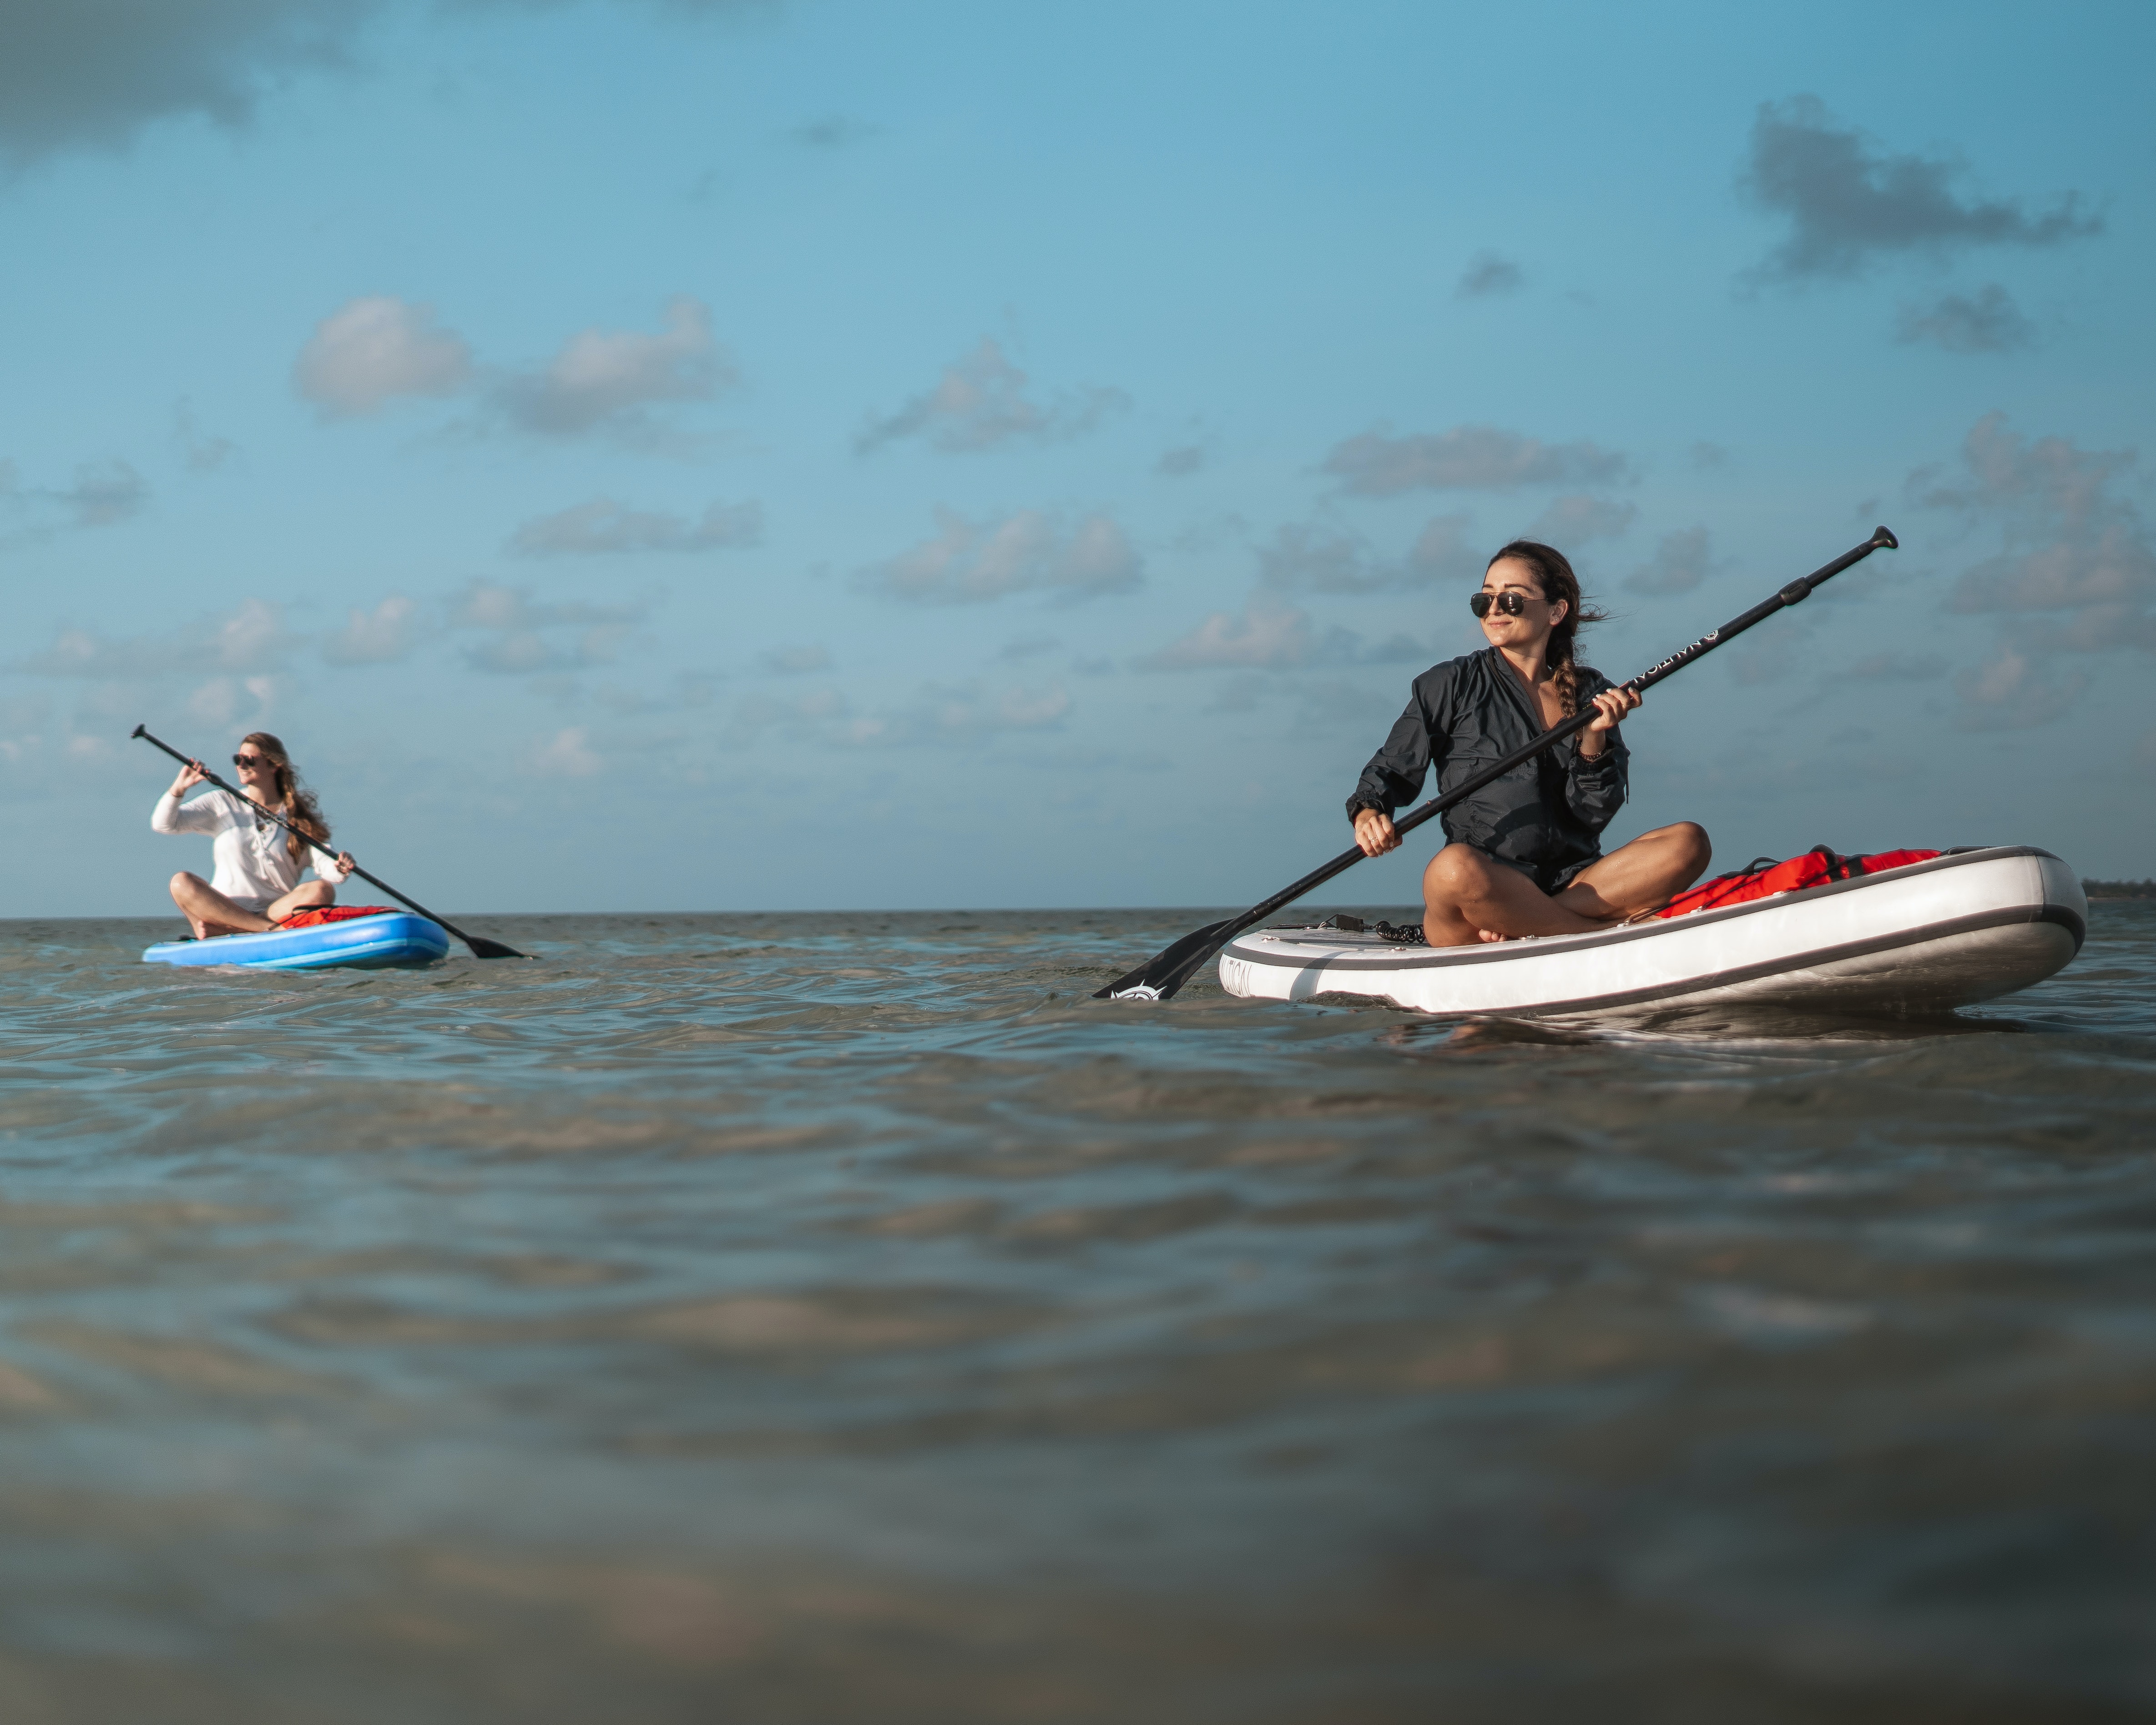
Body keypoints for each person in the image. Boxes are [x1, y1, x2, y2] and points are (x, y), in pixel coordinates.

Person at [1347, 539, 1711, 946]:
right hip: (1481, 890)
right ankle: (1597, 934)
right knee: (1451, 869)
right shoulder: (1449, 683)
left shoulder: (1592, 691)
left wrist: (1593, 738)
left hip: (1574, 885)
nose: (1495, 609)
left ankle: (1528, 924)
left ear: (1556, 611)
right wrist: (1368, 813)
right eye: (1483, 600)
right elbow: (1391, 769)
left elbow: (1592, 816)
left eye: (1511, 599)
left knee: (1688, 841)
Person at [152, 732, 356, 940]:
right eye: (237, 759)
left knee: (322, 889)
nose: (241, 765)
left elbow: (326, 864)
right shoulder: (222, 802)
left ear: (274, 765)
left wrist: (339, 867)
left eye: (249, 760)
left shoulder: (300, 818)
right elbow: (165, 825)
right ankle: (266, 931)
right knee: (181, 882)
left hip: (276, 912)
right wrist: (178, 790)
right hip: (224, 909)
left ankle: (235, 931)